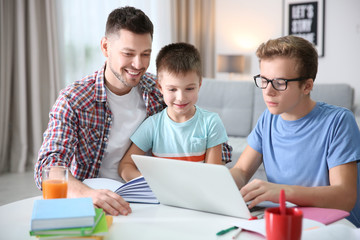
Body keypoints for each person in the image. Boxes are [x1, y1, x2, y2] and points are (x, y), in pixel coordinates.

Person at [34, 7, 231, 216]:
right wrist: (88, 194)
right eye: (128, 54)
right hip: (95, 199)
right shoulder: (74, 100)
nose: (138, 64)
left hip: (150, 199)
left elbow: (211, 141)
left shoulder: (158, 92)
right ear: (105, 47)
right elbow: (48, 166)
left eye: (145, 54)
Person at [230, 35, 360, 227]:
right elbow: (241, 171)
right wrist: (217, 187)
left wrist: (282, 192)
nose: (268, 91)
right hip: (286, 222)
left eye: (280, 83)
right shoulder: (268, 119)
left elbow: (344, 197)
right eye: (264, 80)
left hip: (333, 227)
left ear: (307, 86)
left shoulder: (338, 121)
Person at [118, 42, 228, 181]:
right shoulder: (152, 125)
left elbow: (213, 175)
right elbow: (125, 166)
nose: (181, 98)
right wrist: (150, 182)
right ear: (160, 87)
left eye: (189, 88)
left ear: (199, 85)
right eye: (172, 89)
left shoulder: (211, 122)